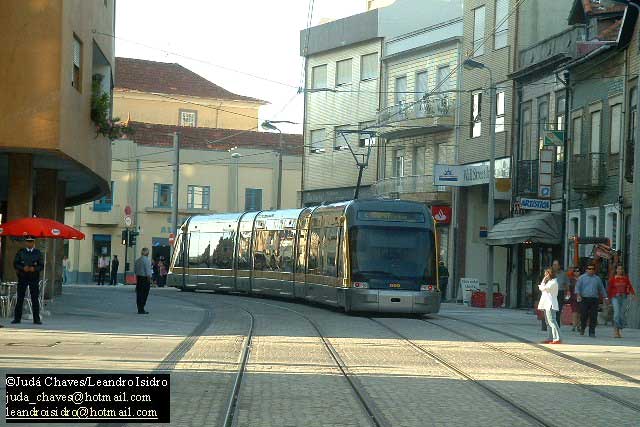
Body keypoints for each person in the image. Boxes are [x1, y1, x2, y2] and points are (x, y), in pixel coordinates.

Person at [12, 236, 44, 325]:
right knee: (20, 298)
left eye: (31, 242)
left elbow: (41, 265)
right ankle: (17, 318)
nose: (29, 243)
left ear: (34, 243)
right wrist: (23, 268)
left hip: (34, 277)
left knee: (35, 298)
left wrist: (35, 268)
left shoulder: (38, 252)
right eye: (28, 241)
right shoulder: (21, 252)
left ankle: (36, 319)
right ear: (26, 242)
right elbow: (15, 263)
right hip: (23, 277)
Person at [575, 263, 608, 337]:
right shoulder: (582, 278)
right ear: (586, 270)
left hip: (594, 299)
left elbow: (601, 288)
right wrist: (578, 295)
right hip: (584, 299)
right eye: (589, 269)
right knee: (584, 315)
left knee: (593, 316)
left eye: (592, 269)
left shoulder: (597, 278)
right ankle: (583, 328)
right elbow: (577, 287)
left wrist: (605, 297)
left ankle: (592, 331)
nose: (591, 270)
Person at [607, 265, 636, 338]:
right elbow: (609, 289)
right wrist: (608, 299)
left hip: (623, 297)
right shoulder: (613, 279)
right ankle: (615, 331)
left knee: (622, 314)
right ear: (616, 270)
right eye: (618, 269)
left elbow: (630, 286)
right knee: (616, 314)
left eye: (621, 269)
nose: (620, 270)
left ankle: (619, 330)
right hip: (615, 297)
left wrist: (633, 294)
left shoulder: (625, 279)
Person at [538, 268, 561, 344]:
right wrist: (544, 281)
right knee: (548, 322)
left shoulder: (553, 282)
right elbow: (542, 288)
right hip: (546, 304)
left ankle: (557, 338)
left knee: (552, 321)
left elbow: (542, 288)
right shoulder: (550, 282)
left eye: (546, 274)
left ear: (549, 274)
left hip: (550, 304)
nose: (545, 275)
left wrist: (543, 281)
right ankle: (550, 337)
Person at [134, 248, 152, 314]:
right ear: (146, 253)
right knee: (144, 294)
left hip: (139, 278)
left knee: (139, 294)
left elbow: (135, 271)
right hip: (145, 279)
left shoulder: (137, 260)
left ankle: (139, 308)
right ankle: (142, 308)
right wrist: (149, 281)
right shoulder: (147, 261)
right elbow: (148, 272)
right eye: (148, 252)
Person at [552, 260, 569, 325]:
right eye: (553, 265)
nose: (554, 266)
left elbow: (567, 284)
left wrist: (567, 294)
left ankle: (557, 324)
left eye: (556, 265)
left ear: (559, 266)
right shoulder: (550, 273)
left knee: (558, 309)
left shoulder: (563, 274)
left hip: (560, 293)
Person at [567, 266, 581, 331]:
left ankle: (578, 325)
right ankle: (574, 325)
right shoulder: (571, 280)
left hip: (581, 297)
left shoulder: (582, 279)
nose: (576, 272)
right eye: (575, 271)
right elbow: (569, 289)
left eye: (577, 271)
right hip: (573, 298)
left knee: (579, 312)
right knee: (574, 312)